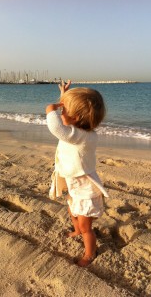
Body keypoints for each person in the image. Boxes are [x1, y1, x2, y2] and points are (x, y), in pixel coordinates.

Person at [46, 80, 108, 267]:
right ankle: (77, 231)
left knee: (86, 226)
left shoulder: (81, 137)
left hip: (85, 190)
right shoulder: (77, 131)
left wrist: (50, 109)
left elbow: (57, 127)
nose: (60, 111)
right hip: (75, 185)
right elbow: (67, 121)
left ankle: (90, 253)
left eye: (64, 110)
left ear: (77, 117)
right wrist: (64, 96)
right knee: (71, 211)